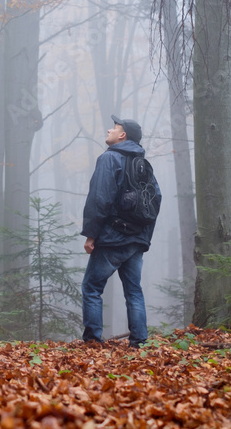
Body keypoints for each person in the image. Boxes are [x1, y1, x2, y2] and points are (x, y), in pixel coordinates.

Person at [80, 115, 161, 346]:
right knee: (133, 291)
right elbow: (157, 200)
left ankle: (93, 341)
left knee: (92, 287)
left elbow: (99, 198)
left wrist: (91, 234)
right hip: (136, 240)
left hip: (112, 238)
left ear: (123, 135)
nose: (109, 130)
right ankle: (139, 342)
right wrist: (143, 238)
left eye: (114, 128)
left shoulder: (109, 159)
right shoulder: (143, 165)